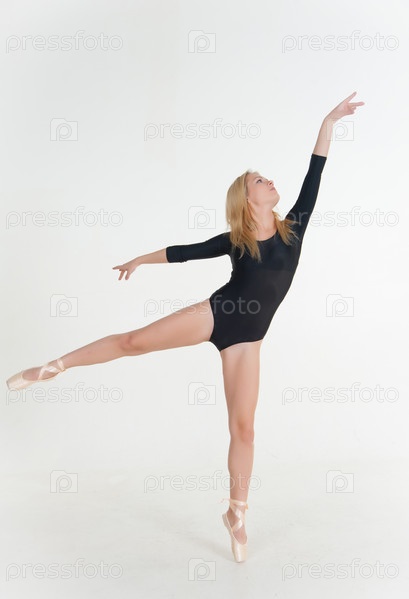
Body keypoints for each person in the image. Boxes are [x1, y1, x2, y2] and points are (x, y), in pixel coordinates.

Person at [6, 92, 365, 563]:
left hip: (248, 342)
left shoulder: (293, 227)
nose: (270, 181)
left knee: (244, 430)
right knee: (134, 342)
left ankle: (236, 514)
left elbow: (315, 170)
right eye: (260, 180)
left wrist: (329, 120)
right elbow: (183, 252)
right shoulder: (235, 239)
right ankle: (54, 366)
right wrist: (140, 259)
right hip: (216, 315)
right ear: (247, 198)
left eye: (267, 177)